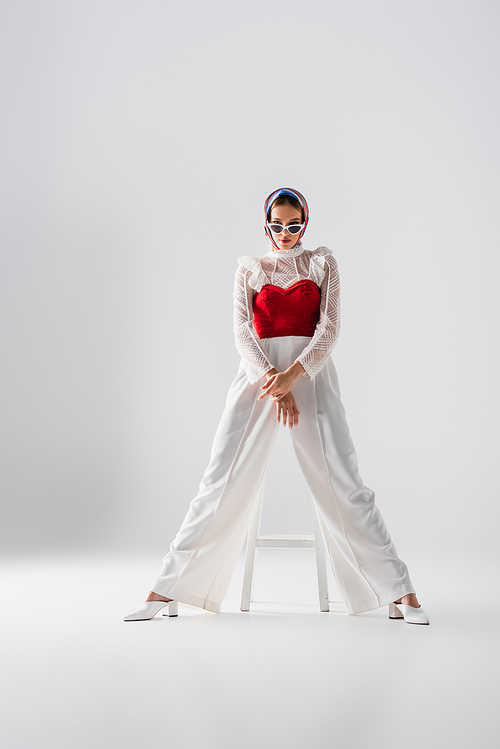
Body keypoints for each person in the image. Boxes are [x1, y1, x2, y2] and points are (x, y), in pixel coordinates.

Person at [123, 187, 430, 625]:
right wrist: (275, 383)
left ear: (304, 223)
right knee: (219, 478)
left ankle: (401, 592)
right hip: (258, 380)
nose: (284, 233)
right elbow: (242, 332)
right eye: (276, 225)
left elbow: (329, 329)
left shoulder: (323, 263)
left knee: (345, 480)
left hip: (312, 376)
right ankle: (166, 588)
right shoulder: (249, 269)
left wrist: (294, 377)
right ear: (265, 223)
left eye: (293, 225)